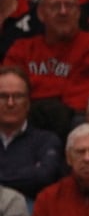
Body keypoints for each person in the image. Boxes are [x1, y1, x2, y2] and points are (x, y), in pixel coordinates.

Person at [5, 0, 89, 135]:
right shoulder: (22, 48)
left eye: (69, 6)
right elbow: (8, 92)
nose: (63, 12)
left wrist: (34, 89)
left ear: (78, 12)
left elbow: (79, 102)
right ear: (41, 14)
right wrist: (58, 90)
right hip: (24, 126)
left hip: (74, 128)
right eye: (55, 6)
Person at [0, 64, 61, 200]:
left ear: (28, 103)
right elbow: (34, 176)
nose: (10, 103)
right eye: (3, 96)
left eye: (18, 96)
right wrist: (27, 173)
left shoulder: (46, 141)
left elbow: (43, 177)